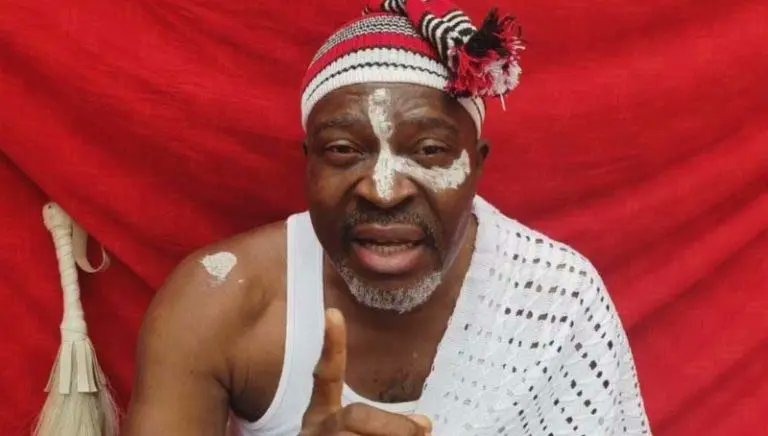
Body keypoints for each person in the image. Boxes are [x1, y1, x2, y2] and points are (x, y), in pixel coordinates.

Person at [124, 0, 651, 435]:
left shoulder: (555, 300)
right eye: (343, 150)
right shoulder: (217, 302)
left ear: (476, 166)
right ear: (308, 164)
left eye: (428, 151)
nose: (383, 191)